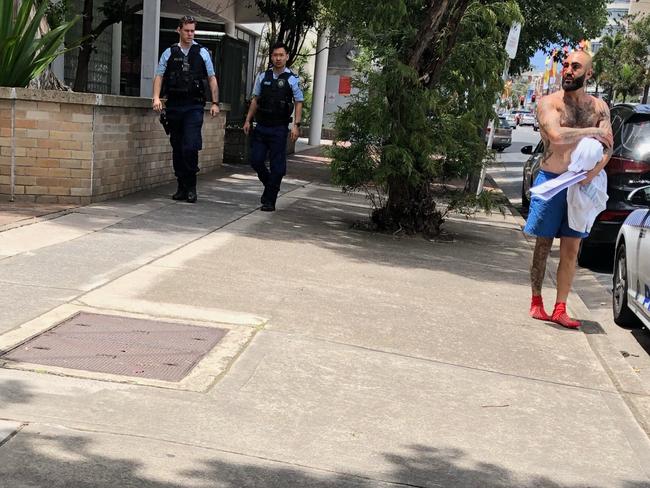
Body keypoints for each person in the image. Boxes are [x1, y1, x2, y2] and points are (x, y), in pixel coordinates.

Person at [525, 50, 613, 329]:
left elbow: (609, 145)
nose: (568, 70)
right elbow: (556, 136)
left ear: (588, 74)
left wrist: (595, 171)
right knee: (542, 244)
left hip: (580, 186)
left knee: (571, 249)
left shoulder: (599, 107)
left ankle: (560, 307)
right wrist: (593, 132)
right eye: (565, 65)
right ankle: (537, 302)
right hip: (551, 180)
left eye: (575, 66)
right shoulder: (549, 103)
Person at [152, 15, 220, 203]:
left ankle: (191, 186)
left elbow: (212, 78)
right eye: (187, 30)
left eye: (192, 31)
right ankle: (181, 186)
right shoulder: (169, 52)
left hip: (193, 107)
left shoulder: (202, 52)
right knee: (177, 147)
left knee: (190, 146)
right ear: (179, 30)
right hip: (174, 106)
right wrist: (156, 97)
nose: (190, 34)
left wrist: (215, 103)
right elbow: (159, 76)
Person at [243, 42, 304, 211]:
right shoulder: (263, 76)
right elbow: (255, 99)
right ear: (271, 57)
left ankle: (269, 199)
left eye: (281, 55)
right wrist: (248, 120)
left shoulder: (293, 79)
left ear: (287, 57)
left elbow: (299, 102)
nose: (278, 58)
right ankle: (271, 186)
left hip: (279, 128)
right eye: (275, 55)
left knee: (278, 167)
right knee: (256, 161)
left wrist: (296, 125)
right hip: (262, 126)